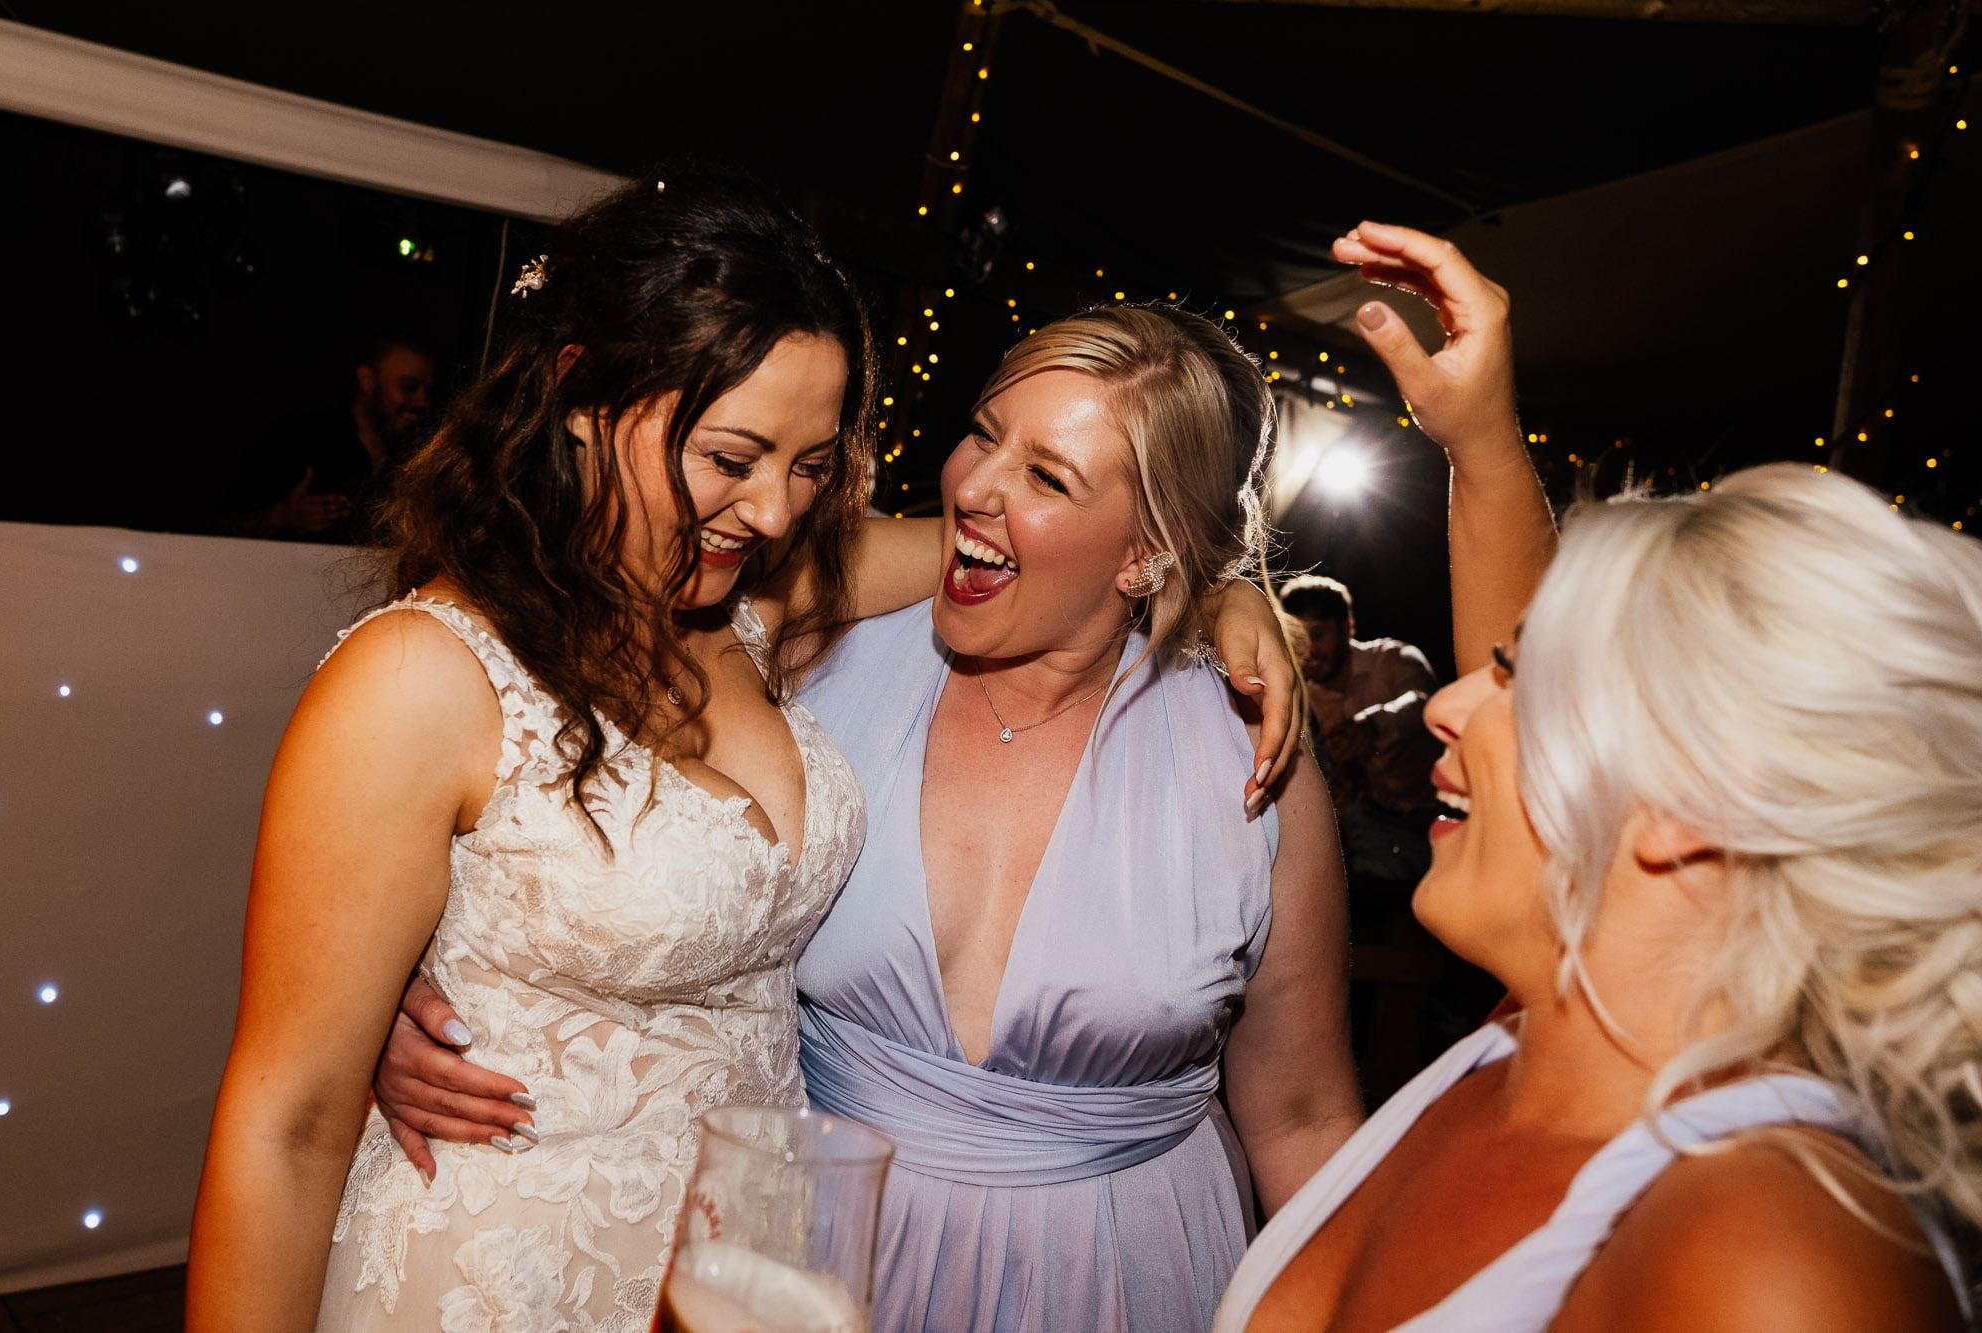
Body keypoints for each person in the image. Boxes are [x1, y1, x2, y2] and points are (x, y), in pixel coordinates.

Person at [378, 220, 1559, 1331]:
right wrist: (406, 982)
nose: (977, 486)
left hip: (1122, 1274)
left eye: (1047, 476)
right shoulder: (803, 657)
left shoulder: (1249, 751)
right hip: (816, 1256)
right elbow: (557, 811)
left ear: (1147, 551)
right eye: (984, 433)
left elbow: (1299, 1115)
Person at [190, 169, 1306, 1332]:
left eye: (810, 465)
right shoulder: (421, 676)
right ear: (580, 391)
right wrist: (376, 1012)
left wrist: (1222, 595)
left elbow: (1031, 549)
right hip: (498, 1270)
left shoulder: (762, 604)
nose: (776, 511)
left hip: (746, 1276)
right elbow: (287, 1124)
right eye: (731, 458)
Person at [1214, 485, 1981, 1321]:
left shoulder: (1775, 1255)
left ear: (1691, 797)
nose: (1446, 704)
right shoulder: (1524, 1054)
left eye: (1521, 673)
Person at [1279, 573, 1440, 897]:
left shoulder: (1392, 659)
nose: (1308, 650)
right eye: (1297, 638)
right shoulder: (1299, 698)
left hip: (1438, 817)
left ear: (1347, 628)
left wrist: (1372, 725)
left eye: (1317, 635)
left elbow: (1426, 704)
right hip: (1373, 835)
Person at [219, 332, 436, 542]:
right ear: (368, 380)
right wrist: (280, 516)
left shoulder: (422, 459)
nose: (422, 401)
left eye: (428, 391)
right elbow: (225, 526)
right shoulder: (300, 440)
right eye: (409, 387)